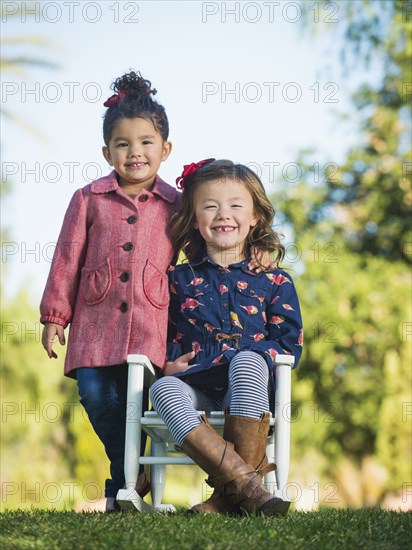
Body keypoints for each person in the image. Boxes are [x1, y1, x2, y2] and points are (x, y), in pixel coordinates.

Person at [40, 70, 177, 512]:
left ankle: (122, 491)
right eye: (123, 143)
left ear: (165, 149)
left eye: (146, 142)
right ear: (106, 151)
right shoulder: (88, 198)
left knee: (138, 406)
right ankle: (129, 477)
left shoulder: (178, 205)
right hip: (94, 327)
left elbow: (202, 254)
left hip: (151, 329)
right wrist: (54, 316)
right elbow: (66, 258)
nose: (135, 152)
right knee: (98, 398)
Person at [150, 158, 303, 516]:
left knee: (249, 360)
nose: (223, 214)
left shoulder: (275, 280)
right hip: (198, 390)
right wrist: (167, 362)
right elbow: (162, 331)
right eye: (210, 206)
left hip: (248, 394)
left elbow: (289, 344)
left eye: (236, 205)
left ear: (254, 217)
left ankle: (226, 498)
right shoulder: (176, 278)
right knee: (161, 388)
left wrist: (242, 354)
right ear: (196, 218)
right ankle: (249, 491)